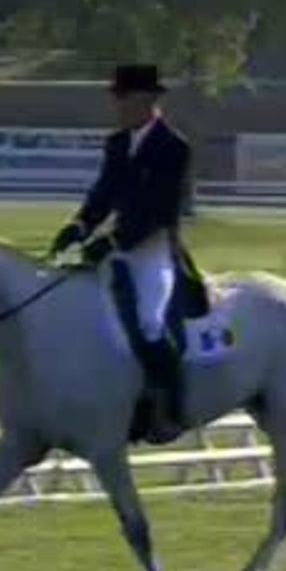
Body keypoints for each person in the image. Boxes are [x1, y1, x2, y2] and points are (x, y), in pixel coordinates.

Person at [49, 63, 194, 443]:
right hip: (117, 245)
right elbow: (104, 192)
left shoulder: (174, 147)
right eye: (118, 100)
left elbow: (161, 211)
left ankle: (170, 406)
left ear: (146, 100)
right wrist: (79, 226)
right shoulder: (117, 143)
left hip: (154, 249)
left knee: (149, 322)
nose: (119, 107)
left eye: (124, 99)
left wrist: (112, 241)